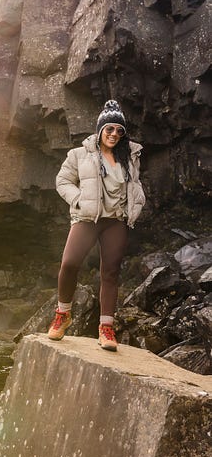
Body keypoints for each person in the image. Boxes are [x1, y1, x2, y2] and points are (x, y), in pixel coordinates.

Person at [48, 100, 145, 351]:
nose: (114, 134)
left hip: (116, 221)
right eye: (109, 129)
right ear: (100, 129)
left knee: (110, 272)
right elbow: (62, 181)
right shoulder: (79, 154)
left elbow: (135, 186)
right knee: (69, 264)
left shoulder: (130, 157)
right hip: (87, 218)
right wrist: (78, 200)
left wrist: (137, 204)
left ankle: (106, 329)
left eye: (119, 131)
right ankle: (63, 314)